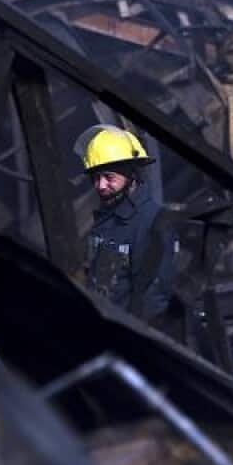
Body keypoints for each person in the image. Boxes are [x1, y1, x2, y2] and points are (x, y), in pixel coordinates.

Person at [75, 124, 178, 322]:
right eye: (96, 178)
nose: (100, 185)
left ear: (132, 174)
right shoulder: (107, 218)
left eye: (109, 177)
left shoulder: (152, 224)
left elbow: (153, 303)